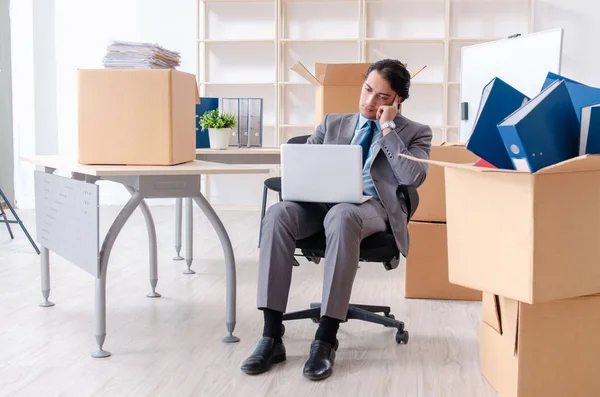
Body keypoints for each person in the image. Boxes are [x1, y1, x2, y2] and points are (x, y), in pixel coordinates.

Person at [240, 59, 433, 381]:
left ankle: (326, 339)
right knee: (278, 213)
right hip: (317, 206)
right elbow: (303, 167)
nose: (370, 101)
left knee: (343, 215)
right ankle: (271, 335)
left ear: (398, 101)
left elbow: (413, 175)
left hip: (371, 208)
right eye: (368, 90)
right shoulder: (332, 123)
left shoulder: (415, 133)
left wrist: (387, 129)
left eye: (383, 97)